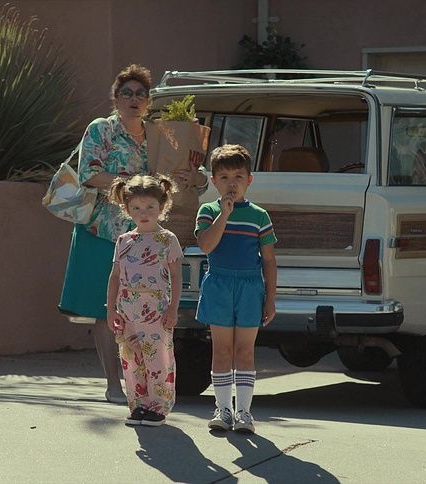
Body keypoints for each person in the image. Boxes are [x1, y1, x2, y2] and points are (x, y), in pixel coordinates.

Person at [58, 64, 206, 404]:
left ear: (149, 100)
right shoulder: (101, 130)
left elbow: (183, 173)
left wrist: (193, 175)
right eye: (127, 93)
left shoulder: (161, 134)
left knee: (144, 309)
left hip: (146, 235)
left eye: (140, 93)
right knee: (105, 308)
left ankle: (144, 384)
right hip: (102, 229)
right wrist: (133, 186)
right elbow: (88, 173)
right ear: (115, 98)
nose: (134, 99)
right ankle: (113, 384)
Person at [194, 144, 278, 434]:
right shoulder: (208, 210)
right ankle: (223, 410)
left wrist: (270, 298)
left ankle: (244, 412)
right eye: (225, 177)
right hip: (219, 283)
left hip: (250, 286)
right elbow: (206, 245)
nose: (232, 183)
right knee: (222, 351)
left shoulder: (259, 216)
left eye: (239, 176)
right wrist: (224, 215)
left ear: (249, 179)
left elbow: (269, 259)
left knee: (244, 351)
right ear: (214, 181)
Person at [105, 174, 183, 426]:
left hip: (157, 310)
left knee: (158, 358)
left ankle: (157, 407)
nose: (144, 212)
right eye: (136, 208)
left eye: (150, 206)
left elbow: (176, 277)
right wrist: (111, 310)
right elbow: (115, 276)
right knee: (131, 358)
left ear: (162, 206)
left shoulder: (167, 240)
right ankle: (138, 405)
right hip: (128, 310)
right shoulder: (124, 241)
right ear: (127, 209)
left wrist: (173, 308)